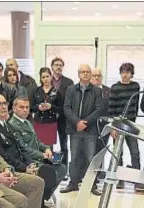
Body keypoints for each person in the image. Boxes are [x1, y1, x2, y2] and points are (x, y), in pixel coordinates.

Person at [0, 94, 54, 208]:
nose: (3, 107)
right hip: (8, 169)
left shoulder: (6, 125)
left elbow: (20, 148)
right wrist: (24, 168)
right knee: (41, 177)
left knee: (47, 170)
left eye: (4, 103)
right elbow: (2, 155)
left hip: (19, 164)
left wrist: (29, 164)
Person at [8, 97, 67, 208]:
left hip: (38, 157)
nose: (25, 110)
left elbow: (37, 141)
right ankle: (38, 203)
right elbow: (23, 148)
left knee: (62, 168)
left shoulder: (28, 122)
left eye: (27, 107)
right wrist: (42, 155)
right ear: (14, 108)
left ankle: (42, 198)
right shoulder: (13, 125)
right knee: (49, 172)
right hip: (28, 160)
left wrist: (46, 149)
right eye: (21, 107)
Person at [108, 62, 144, 191]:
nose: (125, 75)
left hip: (131, 125)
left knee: (135, 152)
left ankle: (137, 180)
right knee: (118, 154)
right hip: (118, 125)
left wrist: (132, 120)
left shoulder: (135, 86)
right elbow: (111, 109)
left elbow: (135, 104)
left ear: (131, 74)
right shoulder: (115, 88)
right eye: (123, 72)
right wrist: (112, 127)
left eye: (127, 72)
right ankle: (120, 180)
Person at [61, 64, 102, 196]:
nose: (85, 74)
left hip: (90, 130)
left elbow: (98, 110)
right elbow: (66, 108)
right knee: (74, 157)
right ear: (78, 74)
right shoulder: (71, 89)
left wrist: (86, 122)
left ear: (90, 74)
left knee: (91, 158)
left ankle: (92, 184)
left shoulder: (97, 91)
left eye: (87, 72)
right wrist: (77, 122)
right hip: (75, 130)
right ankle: (73, 183)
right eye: (82, 72)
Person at [51, 57, 74, 174]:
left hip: (63, 118)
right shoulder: (46, 80)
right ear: (52, 67)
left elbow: (70, 101)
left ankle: (64, 169)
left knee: (63, 145)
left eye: (61, 65)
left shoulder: (69, 82)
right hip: (48, 119)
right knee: (49, 146)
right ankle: (51, 168)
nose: (58, 67)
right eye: (56, 64)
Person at [32, 67, 62, 148]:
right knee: (38, 147)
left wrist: (51, 107)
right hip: (38, 122)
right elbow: (31, 107)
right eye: (43, 77)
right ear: (40, 78)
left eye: (47, 76)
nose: (45, 79)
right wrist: (38, 107)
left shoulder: (56, 91)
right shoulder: (37, 90)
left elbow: (60, 109)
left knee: (49, 149)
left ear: (51, 76)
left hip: (50, 122)